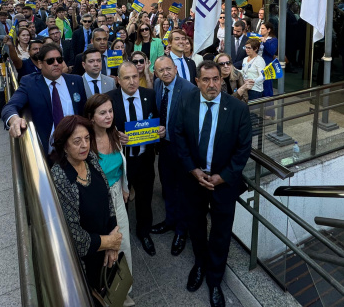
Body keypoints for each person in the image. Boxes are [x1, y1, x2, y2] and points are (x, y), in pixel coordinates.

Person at [173, 61, 252, 307]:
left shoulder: (238, 109)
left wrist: (224, 176)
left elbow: (243, 149)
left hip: (223, 183)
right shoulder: (186, 102)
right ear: (197, 82)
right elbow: (178, 136)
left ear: (221, 80)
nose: (212, 84)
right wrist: (193, 170)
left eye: (216, 79)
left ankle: (215, 279)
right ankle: (200, 264)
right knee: (196, 225)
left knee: (221, 231)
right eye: (206, 80)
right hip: (194, 180)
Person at [50, 116, 123, 292]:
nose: (84, 145)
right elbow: (76, 237)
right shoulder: (60, 176)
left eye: (87, 138)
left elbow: (107, 196)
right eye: (77, 141)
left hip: (107, 243)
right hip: (86, 258)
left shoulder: (90, 158)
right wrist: (109, 242)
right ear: (64, 145)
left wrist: (113, 236)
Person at [106, 62, 164, 257]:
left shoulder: (150, 95)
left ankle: (144, 232)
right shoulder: (110, 99)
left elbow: (156, 119)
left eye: (134, 77)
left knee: (145, 198)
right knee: (120, 200)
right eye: (126, 78)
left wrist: (160, 130)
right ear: (118, 80)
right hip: (121, 162)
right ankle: (121, 234)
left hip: (145, 159)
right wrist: (114, 134)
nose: (132, 81)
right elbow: (101, 126)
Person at [84, 95, 135, 307]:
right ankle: (105, 291)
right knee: (105, 249)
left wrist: (124, 188)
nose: (108, 116)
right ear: (91, 117)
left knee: (123, 243)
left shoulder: (114, 134)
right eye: (102, 113)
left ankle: (123, 288)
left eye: (111, 111)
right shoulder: (86, 143)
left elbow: (121, 166)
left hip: (117, 197)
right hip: (98, 204)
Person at [4, 43, 88, 157]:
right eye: (50, 61)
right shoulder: (30, 83)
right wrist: (14, 120)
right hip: (50, 152)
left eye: (59, 60)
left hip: (77, 148)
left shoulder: (76, 81)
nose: (56, 63)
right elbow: (10, 106)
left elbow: (84, 112)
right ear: (40, 64)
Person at [152, 56, 195, 256]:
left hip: (182, 149)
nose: (165, 73)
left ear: (176, 68)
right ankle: (170, 221)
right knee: (167, 185)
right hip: (165, 147)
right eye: (161, 70)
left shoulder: (188, 89)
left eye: (168, 68)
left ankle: (181, 230)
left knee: (183, 190)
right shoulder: (157, 85)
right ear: (156, 73)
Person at [258, 22, 278, 97]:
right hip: (257, 63)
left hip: (266, 64)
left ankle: (268, 100)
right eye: (260, 28)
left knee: (267, 84)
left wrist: (265, 42)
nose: (261, 30)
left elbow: (272, 51)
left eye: (263, 28)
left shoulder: (273, 40)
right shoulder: (259, 38)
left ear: (268, 30)